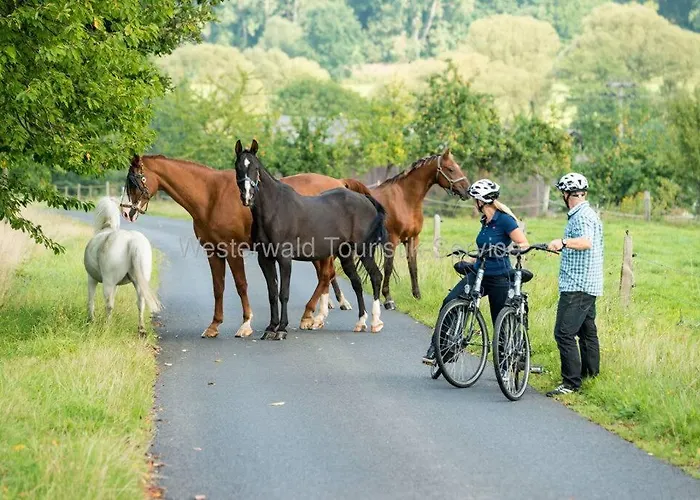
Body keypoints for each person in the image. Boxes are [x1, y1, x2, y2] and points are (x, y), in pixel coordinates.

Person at [422, 179, 529, 365]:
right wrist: (470, 259)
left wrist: (510, 251)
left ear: (480, 201)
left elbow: (523, 243)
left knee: (500, 320)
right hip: (479, 272)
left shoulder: (504, 220)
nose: (474, 203)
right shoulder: (485, 221)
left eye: (474, 200)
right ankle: (440, 347)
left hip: (499, 276)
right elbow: (484, 248)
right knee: (451, 300)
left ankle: (507, 362)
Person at [545, 173, 604, 396]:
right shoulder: (586, 213)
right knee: (587, 332)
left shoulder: (582, 217)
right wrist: (563, 248)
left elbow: (586, 242)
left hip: (577, 286)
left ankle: (570, 383)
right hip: (588, 283)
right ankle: (591, 376)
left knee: (563, 333)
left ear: (566, 194)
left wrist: (563, 242)